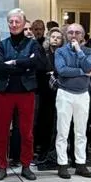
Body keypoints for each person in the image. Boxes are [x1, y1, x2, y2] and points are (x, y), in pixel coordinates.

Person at [0, 7, 44, 180]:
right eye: (11, 22)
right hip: (5, 92)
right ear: (8, 24)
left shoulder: (33, 44)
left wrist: (14, 62)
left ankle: (26, 165)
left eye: (17, 21)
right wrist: (24, 63)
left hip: (26, 92)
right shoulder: (1, 45)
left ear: (23, 24)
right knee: (2, 132)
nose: (14, 24)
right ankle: (1, 166)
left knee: (26, 133)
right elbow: (0, 66)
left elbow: (35, 63)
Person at [53, 22, 91, 179]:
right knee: (62, 132)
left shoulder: (88, 51)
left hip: (82, 95)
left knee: (81, 132)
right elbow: (62, 70)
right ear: (66, 34)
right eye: (70, 32)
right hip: (64, 94)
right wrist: (82, 72)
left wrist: (79, 51)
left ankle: (81, 164)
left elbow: (89, 67)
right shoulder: (60, 51)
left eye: (77, 32)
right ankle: (62, 164)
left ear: (83, 36)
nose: (73, 35)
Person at [35, 26, 64, 169]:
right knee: (44, 122)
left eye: (58, 38)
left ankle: (54, 153)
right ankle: (43, 152)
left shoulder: (62, 54)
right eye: (53, 37)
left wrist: (52, 72)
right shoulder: (43, 52)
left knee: (56, 124)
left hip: (59, 92)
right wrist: (50, 72)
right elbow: (40, 69)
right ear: (49, 38)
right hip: (44, 92)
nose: (55, 39)